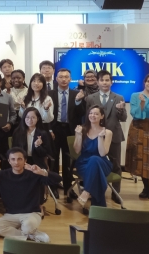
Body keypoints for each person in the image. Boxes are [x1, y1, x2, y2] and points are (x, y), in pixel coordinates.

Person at [0, 147, 61, 242]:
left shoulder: (33, 174)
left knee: (27, 226)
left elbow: (58, 179)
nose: (16, 162)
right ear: (9, 161)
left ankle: (26, 232)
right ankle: (31, 236)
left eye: (19, 159)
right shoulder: (2, 175)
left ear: (25, 160)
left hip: (31, 213)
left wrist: (42, 172)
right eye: (13, 159)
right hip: (10, 215)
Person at [83, 69, 127, 197]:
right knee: (95, 162)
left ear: (111, 82)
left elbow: (123, 118)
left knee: (116, 165)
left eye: (107, 80)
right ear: (97, 82)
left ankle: (116, 193)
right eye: (102, 80)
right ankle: (93, 191)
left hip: (114, 136)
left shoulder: (119, 97)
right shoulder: (91, 98)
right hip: (95, 136)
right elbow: (88, 117)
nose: (104, 83)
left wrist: (120, 110)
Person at [49, 68, 84, 199]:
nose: (64, 79)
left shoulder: (77, 94)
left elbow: (81, 114)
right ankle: (54, 186)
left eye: (66, 77)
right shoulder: (49, 94)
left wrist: (78, 102)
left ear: (70, 79)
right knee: (53, 159)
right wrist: (49, 130)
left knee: (68, 160)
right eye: (61, 77)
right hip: (54, 129)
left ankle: (68, 188)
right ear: (56, 79)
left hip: (70, 130)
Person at [126, 73, 149, 199]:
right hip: (138, 128)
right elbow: (135, 114)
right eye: (148, 81)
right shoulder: (135, 95)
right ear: (144, 82)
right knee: (141, 157)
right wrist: (142, 103)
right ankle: (145, 187)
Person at [74, 106, 114, 208]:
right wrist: (78, 135)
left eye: (96, 114)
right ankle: (99, 211)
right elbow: (77, 150)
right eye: (91, 113)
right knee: (97, 175)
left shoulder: (107, 132)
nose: (93, 115)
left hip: (102, 162)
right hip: (84, 163)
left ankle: (86, 191)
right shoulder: (81, 129)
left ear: (102, 116)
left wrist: (100, 137)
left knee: (94, 159)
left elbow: (102, 154)